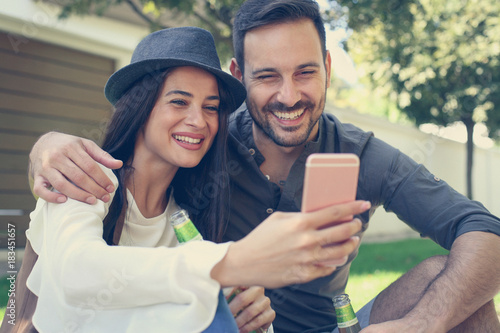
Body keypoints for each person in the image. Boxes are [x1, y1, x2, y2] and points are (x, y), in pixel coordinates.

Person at [26, 0, 500, 332]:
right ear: (239, 76)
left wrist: (424, 324)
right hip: (213, 324)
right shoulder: (205, 147)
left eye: (305, 72)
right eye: (268, 75)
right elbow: (58, 270)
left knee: (458, 292)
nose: (289, 96)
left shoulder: (364, 155)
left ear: (328, 69)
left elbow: (484, 230)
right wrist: (45, 147)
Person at [3, 25, 369, 333]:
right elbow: (77, 273)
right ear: (140, 107)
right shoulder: (87, 177)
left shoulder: (188, 218)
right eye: (179, 102)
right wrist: (232, 260)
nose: (199, 120)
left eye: (211, 107)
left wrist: (244, 319)